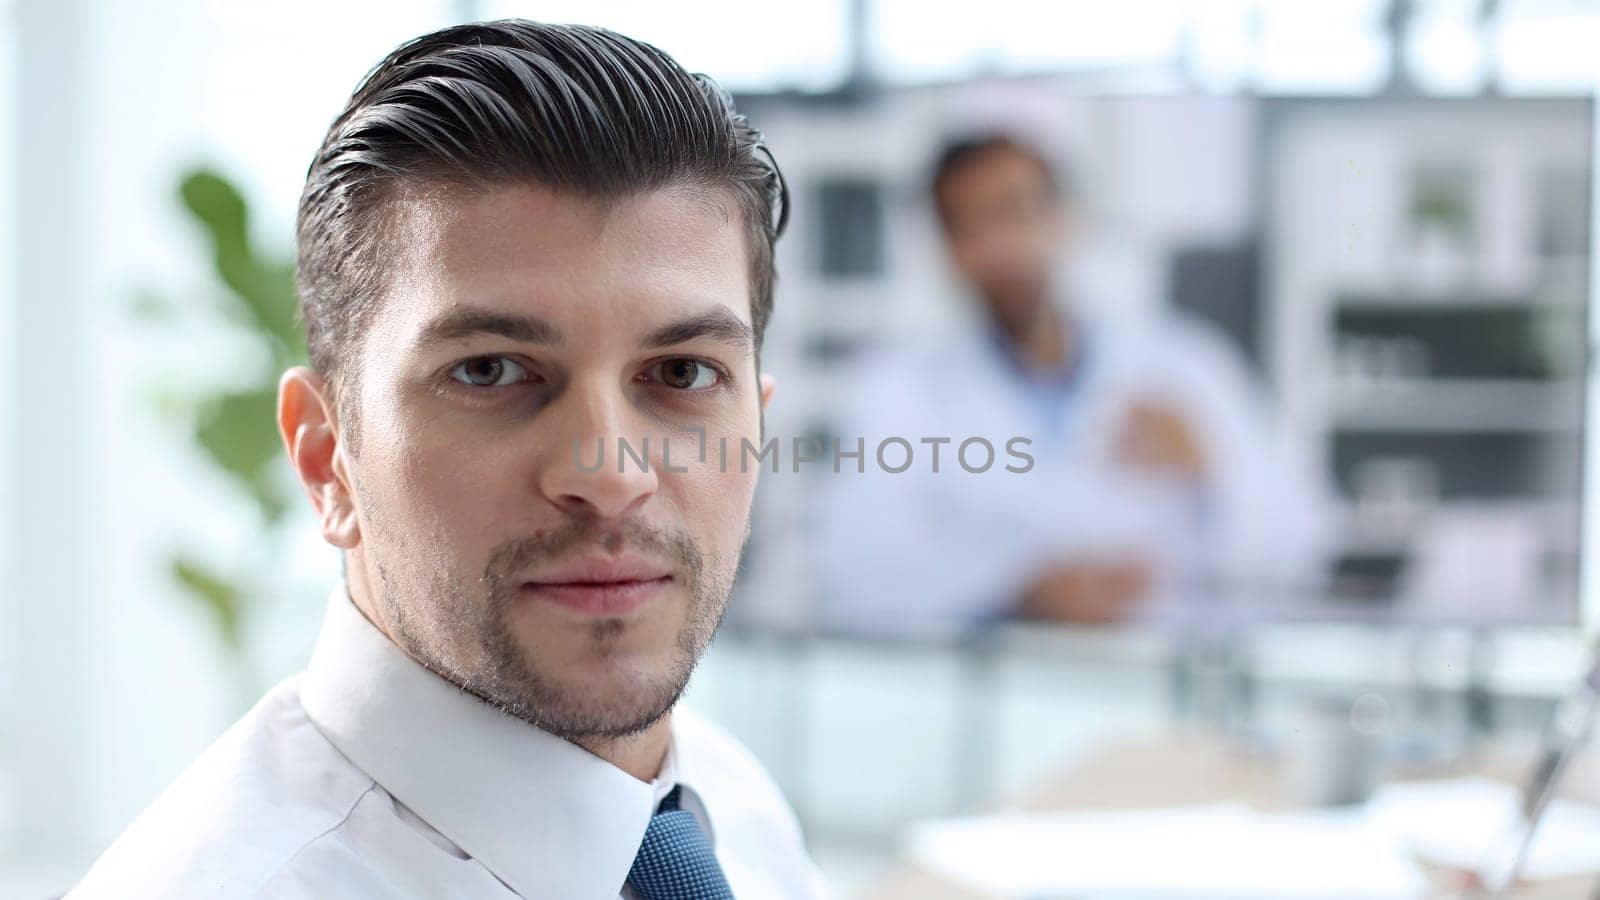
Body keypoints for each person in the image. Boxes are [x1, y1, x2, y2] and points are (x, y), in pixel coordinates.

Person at [70, 20, 829, 899]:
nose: (613, 473)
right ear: (326, 458)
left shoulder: (725, 808)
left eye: (682, 373)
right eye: (490, 370)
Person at [816, 133, 1330, 636]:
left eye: (1016, 211)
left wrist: (1212, 467)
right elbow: (856, 568)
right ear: (948, 251)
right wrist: (1017, 591)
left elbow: (1305, 538)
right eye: (968, 226)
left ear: (1066, 219)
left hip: (1166, 677)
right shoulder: (904, 390)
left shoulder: (1186, 364)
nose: (999, 245)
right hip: (1000, 687)